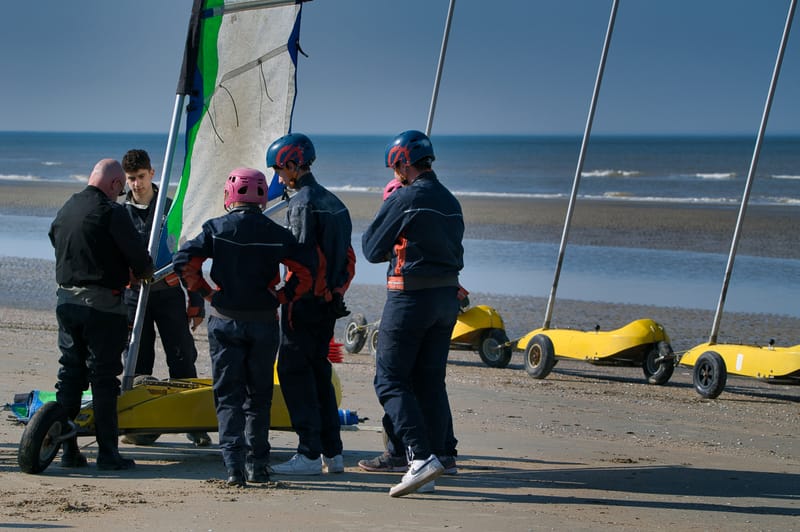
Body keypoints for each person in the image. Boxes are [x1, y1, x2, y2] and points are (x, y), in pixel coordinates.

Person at [173, 167, 313, 487]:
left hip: (224, 321)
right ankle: (258, 465)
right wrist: (282, 296)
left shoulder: (216, 228)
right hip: (264, 323)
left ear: (229, 196)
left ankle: (233, 466)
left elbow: (184, 262)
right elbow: (306, 270)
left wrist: (205, 294)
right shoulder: (275, 232)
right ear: (263, 197)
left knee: (228, 396)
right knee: (259, 396)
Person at [361, 130, 464, 497]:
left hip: (410, 299)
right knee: (430, 380)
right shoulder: (450, 200)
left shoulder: (407, 198)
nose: (395, 175)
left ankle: (420, 459)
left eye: (395, 167)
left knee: (389, 380)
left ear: (403, 162)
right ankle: (444, 455)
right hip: (446, 300)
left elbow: (372, 248)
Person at [49, 158, 154, 470]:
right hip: (102, 306)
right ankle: (108, 453)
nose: (119, 195)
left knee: (70, 375)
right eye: (119, 189)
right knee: (104, 377)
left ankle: (68, 450)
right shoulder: (112, 212)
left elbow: (56, 238)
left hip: (66, 301)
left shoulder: (69, 206)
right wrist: (137, 271)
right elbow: (140, 259)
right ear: (113, 185)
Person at [266, 133, 356, 476]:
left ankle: (307, 453)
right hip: (330, 303)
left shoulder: (302, 202)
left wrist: (284, 295)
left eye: (279, 169)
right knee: (320, 372)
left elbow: (303, 259)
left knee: (293, 372)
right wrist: (335, 293)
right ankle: (333, 453)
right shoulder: (336, 202)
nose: (278, 177)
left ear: (292, 163)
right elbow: (348, 259)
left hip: (303, 303)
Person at [120, 149, 211, 447]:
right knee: (137, 361)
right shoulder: (120, 214)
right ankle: (139, 424)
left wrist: (195, 301)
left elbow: (188, 257)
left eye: (141, 177)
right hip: (134, 299)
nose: (136, 184)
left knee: (183, 357)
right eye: (131, 179)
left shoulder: (170, 211)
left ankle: (194, 424)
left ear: (152, 174)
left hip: (169, 294)